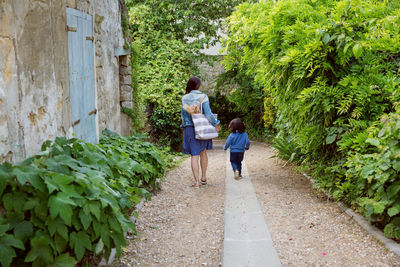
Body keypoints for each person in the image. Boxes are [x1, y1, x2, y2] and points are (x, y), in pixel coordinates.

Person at [181, 76, 220, 189]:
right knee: (203, 152)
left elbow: (183, 115)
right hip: (202, 128)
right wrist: (216, 123)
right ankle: (203, 177)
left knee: (194, 155)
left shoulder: (184, 98)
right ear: (198, 85)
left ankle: (196, 182)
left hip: (189, 128)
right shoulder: (203, 97)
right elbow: (208, 114)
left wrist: (183, 126)